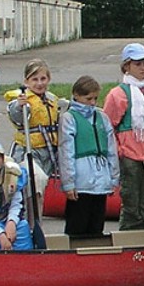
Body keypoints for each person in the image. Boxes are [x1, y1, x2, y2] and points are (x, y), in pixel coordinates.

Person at [103, 43, 144, 230]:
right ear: (127, 66)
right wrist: (119, 152)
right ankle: (129, 236)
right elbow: (109, 127)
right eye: (138, 64)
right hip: (130, 156)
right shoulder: (118, 94)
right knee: (131, 200)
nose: (143, 68)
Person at [58, 76, 119, 237]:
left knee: (96, 225)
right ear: (76, 96)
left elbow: (112, 149)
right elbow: (66, 152)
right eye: (88, 98)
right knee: (77, 225)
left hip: (100, 179)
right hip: (81, 181)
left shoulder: (102, 117)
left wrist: (113, 178)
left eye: (95, 98)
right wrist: (68, 183)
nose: (92, 103)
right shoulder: (69, 118)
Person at [4, 59, 60, 217]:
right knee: (36, 181)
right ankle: (29, 220)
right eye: (34, 79)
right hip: (28, 153)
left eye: (43, 79)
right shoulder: (21, 100)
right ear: (26, 82)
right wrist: (19, 106)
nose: (39, 83)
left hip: (48, 153)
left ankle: (35, 221)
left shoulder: (52, 99)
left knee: (40, 186)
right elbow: (16, 115)